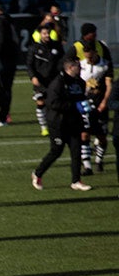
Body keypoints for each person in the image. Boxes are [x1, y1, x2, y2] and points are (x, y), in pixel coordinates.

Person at [32, 58, 92, 192]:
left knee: (76, 151)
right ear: (70, 68)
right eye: (78, 66)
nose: (80, 68)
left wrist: (85, 105)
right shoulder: (58, 83)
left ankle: (76, 181)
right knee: (56, 151)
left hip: (74, 122)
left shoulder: (80, 82)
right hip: (58, 123)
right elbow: (52, 103)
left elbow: (81, 99)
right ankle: (37, 173)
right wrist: (74, 105)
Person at [77, 46, 113, 175]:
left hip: (100, 105)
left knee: (101, 137)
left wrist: (104, 102)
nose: (89, 59)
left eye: (91, 57)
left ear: (95, 53)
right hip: (85, 105)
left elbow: (109, 85)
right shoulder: (81, 65)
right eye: (87, 57)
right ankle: (87, 167)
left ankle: (99, 161)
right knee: (84, 134)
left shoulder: (105, 65)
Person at [27, 24, 65, 136]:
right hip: (40, 81)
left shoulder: (57, 46)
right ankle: (44, 127)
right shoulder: (34, 48)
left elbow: (63, 61)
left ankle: (57, 125)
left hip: (55, 80)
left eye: (48, 33)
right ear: (40, 34)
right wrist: (33, 77)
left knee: (56, 103)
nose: (47, 35)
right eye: (44, 33)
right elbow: (29, 65)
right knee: (41, 102)